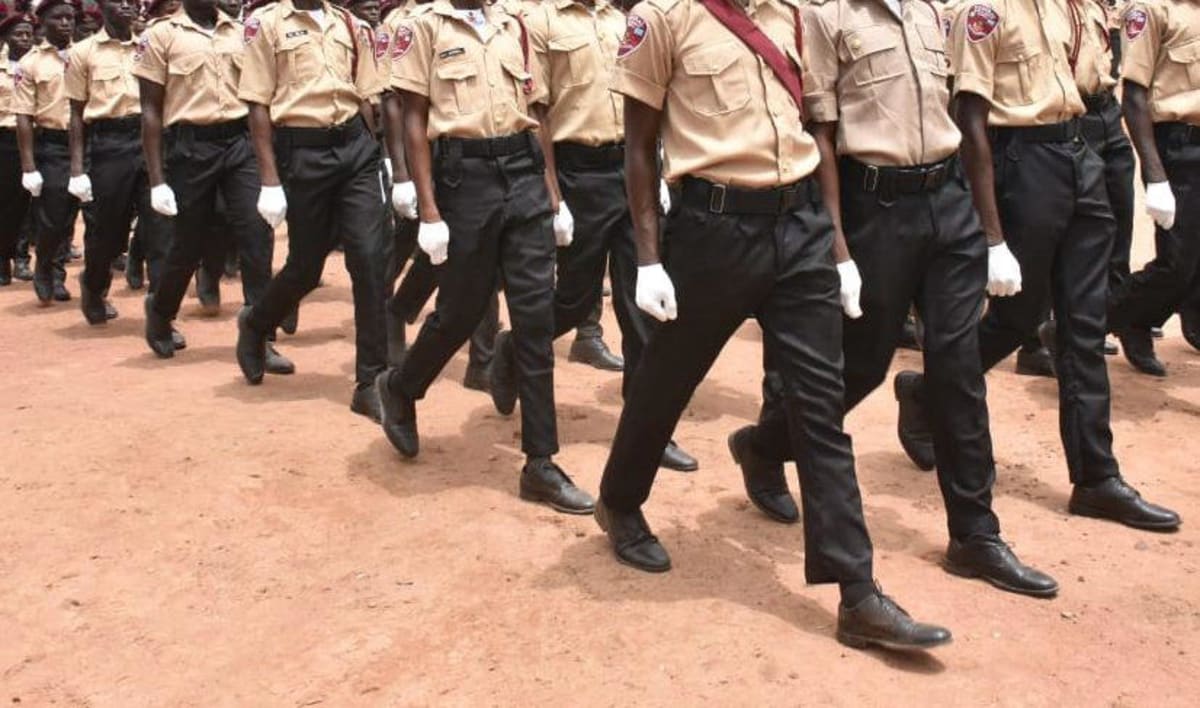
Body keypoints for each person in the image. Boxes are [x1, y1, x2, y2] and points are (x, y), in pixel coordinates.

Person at [596, 0, 952, 650]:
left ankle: (858, 592)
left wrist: (839, 251)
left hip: (802, 225)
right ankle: (620, 499)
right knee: (667, 381)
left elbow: (817, 130)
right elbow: (639, 146)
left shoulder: (791, 15)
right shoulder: (664, 18)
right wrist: (648, 258)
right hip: (713, 230)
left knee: (819, 409)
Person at [732, 0, 1057, 597]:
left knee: (959, 371)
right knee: (862, 366)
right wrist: (838, 250)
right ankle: (763, 445)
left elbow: (962, 114)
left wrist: (990, 236)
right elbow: (822, 136)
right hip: (875, 209)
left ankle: (975, 535)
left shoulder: (936, 12)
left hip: (949, 204)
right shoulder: (827, 18)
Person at [894, 0, 1180, 532]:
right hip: (1021, 164)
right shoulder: (986, 12)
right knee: (1017, 317)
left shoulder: (1074, 7)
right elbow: (971, 122)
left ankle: (1096, 477)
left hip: (1080, 153)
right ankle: (928, 391)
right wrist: (991, 236)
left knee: (1085, 324)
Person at [378, 0, 595, 515]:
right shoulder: (422, 28)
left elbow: (536, 115)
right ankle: (402, 387)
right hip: (463, 178)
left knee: (535, 319)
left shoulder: (513, 25)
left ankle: (540, 462)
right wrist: (428, 210)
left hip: (522, 174)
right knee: (461, 312)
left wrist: (553, 196)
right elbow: (414, 120)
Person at [516, 0, 697, 471]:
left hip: (627, 169)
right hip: (577, 173)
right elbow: (538, 115)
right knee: (574, 300)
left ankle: (647, 436)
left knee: (644, 312)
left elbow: (647, 104)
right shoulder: (541, 22)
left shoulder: (624, 22)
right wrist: (552, 192)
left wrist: (655, 169)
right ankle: (513, 348)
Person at [234, 0, 392, 421]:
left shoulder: (349, 23)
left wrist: (381, 154)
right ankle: (256, 322)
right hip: (302, 152)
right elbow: (257, 105)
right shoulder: (265, 25)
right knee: (306, 266)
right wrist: (268, 179)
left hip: (356, 148)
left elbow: (366, 94)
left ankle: (371, 380)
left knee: (369, 257)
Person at [132, 0, 286, 369]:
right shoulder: (161, 35)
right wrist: (157, 181)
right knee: (187, 243)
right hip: (190, 146)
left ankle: (259, 335)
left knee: (255, 235)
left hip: (239, 143)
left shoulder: (241, 31)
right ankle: (161, 309)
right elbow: (151, 110)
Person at [1106, 0, 1200, 375]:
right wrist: (1156, 174)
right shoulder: (1150, 9)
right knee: (1176, 263)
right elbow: (1134, 96)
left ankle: (1152, 318)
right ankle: (1085, 325)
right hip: (1176, 145)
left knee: (1193, 258)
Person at [64, 0, 157, 324]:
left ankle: (160, 314)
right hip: (109, 144)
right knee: (107, 232)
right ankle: (93, 285)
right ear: (101, 7)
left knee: (160, 227)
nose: (128, 6)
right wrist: (77, 168)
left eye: (133, 2)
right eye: (119, 1)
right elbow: (76, 114)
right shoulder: (83, 52)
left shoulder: (150, 45)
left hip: (151, 140)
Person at [14, 0, 76, 304]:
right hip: (53, 144)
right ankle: (46, 267)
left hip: (90, 142)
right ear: (43, 22)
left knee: (79, 214)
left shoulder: (85, 54)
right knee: (54, 215)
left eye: (70, 18)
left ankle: (59, 271)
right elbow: (24, 116)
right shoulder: (31, 63)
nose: (66, 23)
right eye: (59, 18)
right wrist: (28, 166)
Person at [0, 3, 35, 286]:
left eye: (28, 34)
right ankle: (2, 260)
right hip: (5, 140)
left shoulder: (38, 64)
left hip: (36, 138)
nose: (24, 39)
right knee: (6, 202)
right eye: (19, 35)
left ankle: (22, 258)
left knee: (28, 203)